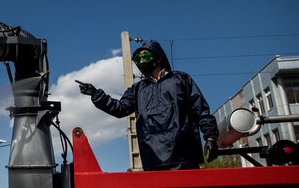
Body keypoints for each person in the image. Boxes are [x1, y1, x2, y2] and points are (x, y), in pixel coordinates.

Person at [78, 40, 219, 171]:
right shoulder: (138, 89)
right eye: (137, 59)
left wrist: (210, 138)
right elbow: (120, 108)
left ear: (158, 58)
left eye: (144, 56)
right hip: (152, 158)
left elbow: (201, 109)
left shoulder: (180, 79)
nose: (140, 61)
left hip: (184, 156)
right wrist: (96, 94)